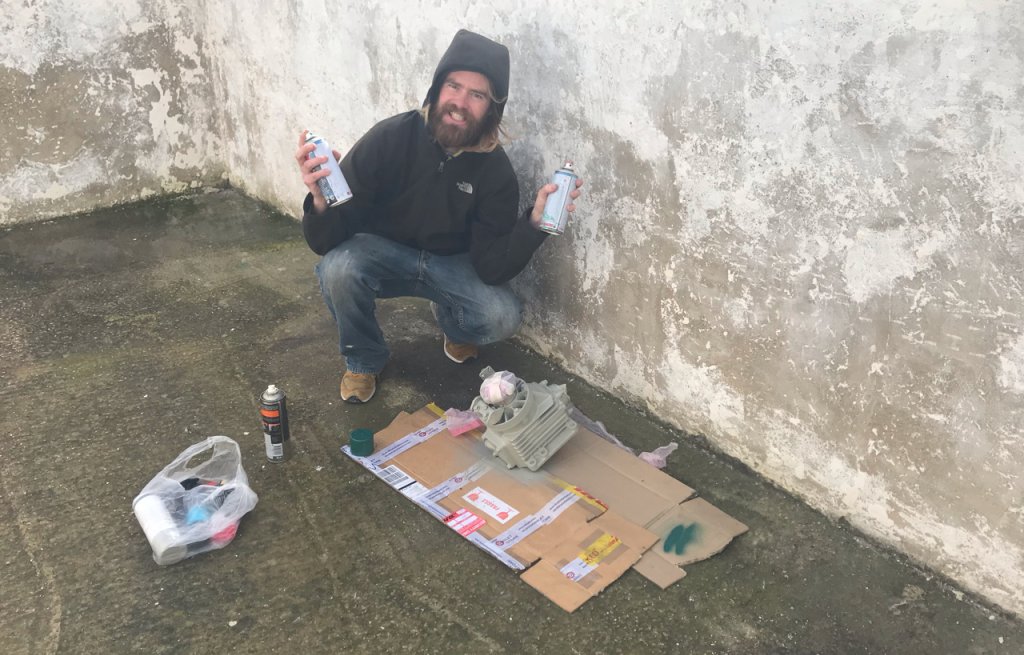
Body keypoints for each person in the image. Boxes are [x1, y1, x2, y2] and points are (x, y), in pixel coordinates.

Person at [294, 29, 583, 403]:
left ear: (492, 108)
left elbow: (491, 268)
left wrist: (533, 225)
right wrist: (319, 200)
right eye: (453, 86)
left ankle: (452, 325)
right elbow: (324, 242)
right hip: (382, 254)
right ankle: (364, 360)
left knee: (502, 314)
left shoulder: (495, 172)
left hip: (449, 266)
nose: (460, 102)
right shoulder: (390, 138)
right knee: (338, 268)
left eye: (476, 95)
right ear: (436, 89)